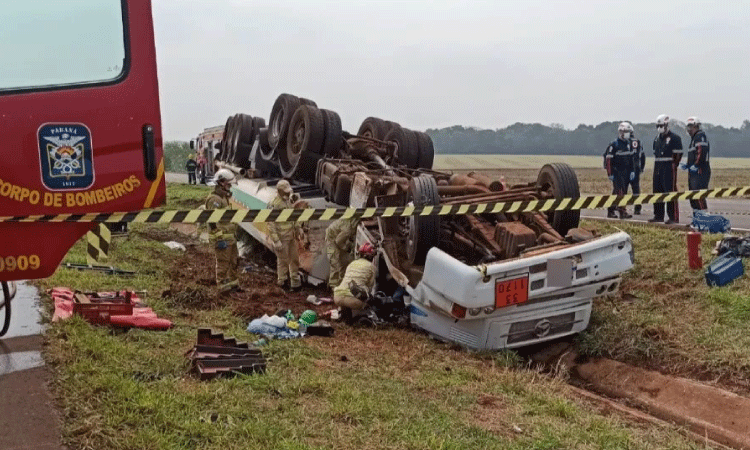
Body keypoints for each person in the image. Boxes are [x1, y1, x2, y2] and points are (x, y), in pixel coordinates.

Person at [204, 169, 239, 292]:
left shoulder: (224, 198)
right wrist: (218, 235)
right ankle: (223, 288)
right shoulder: (214, 200)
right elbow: (211, 220)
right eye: (228, 184)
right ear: (221, 182)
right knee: (223, 263)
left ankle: (234, 284)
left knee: (234, 261)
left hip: (230, 236)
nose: (230, 187)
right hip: (222, 237)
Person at [267, 180, 302, 291]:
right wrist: (276, 240)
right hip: (282, 237)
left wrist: (298, 228)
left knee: (294, 259)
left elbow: (292, 216)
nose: (288, 194)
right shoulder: (274, 204)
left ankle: (295, 283)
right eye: (285, 192)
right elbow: (270, 223)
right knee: (283, 261)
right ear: (279, 191)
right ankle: (282, 283)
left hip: (291, 236)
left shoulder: (288, 201)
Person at [649, 114, 683, 224]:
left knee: (670, 191)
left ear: (667, 125)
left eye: (661, 125)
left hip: (669, 167)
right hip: (658, 166)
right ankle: (658, 215)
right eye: (657, 125)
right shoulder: (656, 139)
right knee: (657, 191)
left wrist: (673, 165)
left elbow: (678, 155)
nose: (659, 128)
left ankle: (673, 217)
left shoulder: (675, 138)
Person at [333, 242, 377, 315]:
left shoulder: (352, 263)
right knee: (368, 299)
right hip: (353, 301)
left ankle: (345, 316)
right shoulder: (372, 267)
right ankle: (359, 317)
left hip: (337, 297)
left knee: (350, 294)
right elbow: (370, 287)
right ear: (371, 256)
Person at [604, 122, 635, 219]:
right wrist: (610, 173)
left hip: (626, 172)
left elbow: (631, 159)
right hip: (617, 172)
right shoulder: (614, 145)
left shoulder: (628, 144)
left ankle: (615, 210)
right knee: (619, 192)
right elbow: (608, 160)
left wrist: (632, 170)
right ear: (622, 132)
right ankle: (620, 211)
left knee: (623, 192)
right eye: (627, 132)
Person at [681, 117, 710, 211]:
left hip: (700, 171)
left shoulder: (699, 136)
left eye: (691, 127)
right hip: (693, 172)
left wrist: (696, 165)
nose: (689, 130)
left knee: (698, 196)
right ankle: (697, 219)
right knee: (693, 197)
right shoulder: (694, 139)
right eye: (688, 127)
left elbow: (701, 152)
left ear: (696, 126)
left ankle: (704, 218)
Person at [325, 217, 359, 288]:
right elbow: (338, 241)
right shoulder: (348, 229)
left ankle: (341, 283)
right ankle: (333, 286)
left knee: (343, 263)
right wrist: (346, 248)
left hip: (338, 240)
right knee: (335, 263)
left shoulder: (351, 223)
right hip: (331, 240)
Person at [625, 123, 646, 215]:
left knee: (623, 189)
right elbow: (643, 155)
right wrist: (641, 167)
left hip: (626, 168)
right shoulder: (638, 141)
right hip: (636, 168)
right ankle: (637, 208)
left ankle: (622, 208)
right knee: (636, 189)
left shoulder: (623, 141)